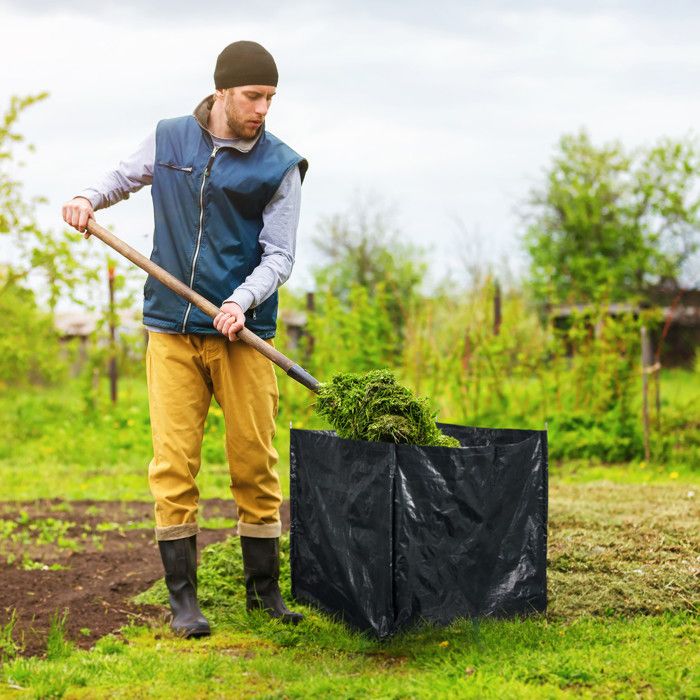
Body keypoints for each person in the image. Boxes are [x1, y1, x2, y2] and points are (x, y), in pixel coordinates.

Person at [62, 40, 308, 637]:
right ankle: (184, 603)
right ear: (222, 90)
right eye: (253, 96)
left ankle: (264, 596)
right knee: (173, 465)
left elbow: (279, 257)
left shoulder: (280, 165)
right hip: (170, 330)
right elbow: (124, 176)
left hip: (242, 337)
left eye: (271, 98)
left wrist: (239, 301)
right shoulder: (170, 137)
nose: (262, 109)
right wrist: (85, 198)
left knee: (255, 463)